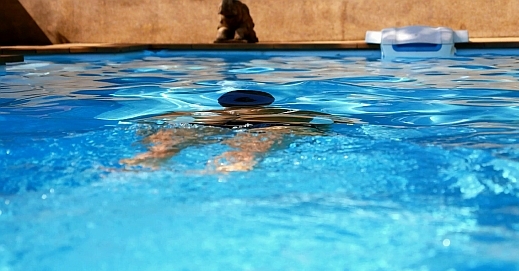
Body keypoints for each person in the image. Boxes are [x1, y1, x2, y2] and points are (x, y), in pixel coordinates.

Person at [120, 90, 360, 173]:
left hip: (207, 126)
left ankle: (145, 160)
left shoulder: (209, 115)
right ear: (266, 105)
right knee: (258, 144)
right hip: (272, 126)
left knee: (168, 144)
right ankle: (235, 165)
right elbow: (339, 122)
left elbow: (150, 122)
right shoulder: (283, 115)